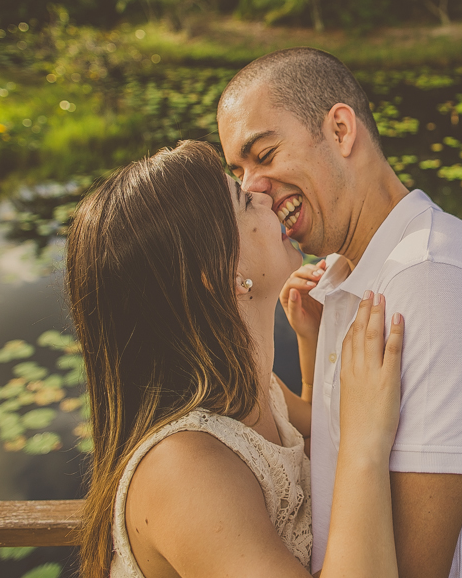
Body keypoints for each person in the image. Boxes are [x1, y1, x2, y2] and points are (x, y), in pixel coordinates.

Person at [218, 48, 462, 578]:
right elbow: (334, 463)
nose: (253, 191)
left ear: (341, 130)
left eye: (264, 156)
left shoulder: (432, 282)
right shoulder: (345, 273)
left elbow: (412, 570)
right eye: (239, 172)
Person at [65, 140, 405, 578]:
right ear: (222, 274)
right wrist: (365, 446)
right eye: (245, 201)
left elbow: (313, 440)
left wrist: (311, 343)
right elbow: (346, 442)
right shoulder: (185, 469)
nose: (263, 193)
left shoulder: (252, 387)